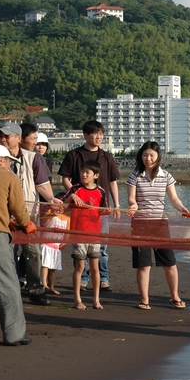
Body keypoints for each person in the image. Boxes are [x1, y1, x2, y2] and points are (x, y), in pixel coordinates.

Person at [0, 123, 60, 306]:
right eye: (0, 136)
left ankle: (36, 289)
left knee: (33, 252)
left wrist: (51, 199)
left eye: (6, 136)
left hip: (28, 213)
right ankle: (9, 290)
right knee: (6, 253)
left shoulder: (33, 158)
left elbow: (41, 183)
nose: (2, 139)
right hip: (1, 214)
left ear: (18, 138)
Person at [58, 120, 121, 292]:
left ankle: (104, 278)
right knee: (80, 244)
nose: (99, 137)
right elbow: (65, 177)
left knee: (101, 245)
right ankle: (83, 278)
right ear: (85, 135)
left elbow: (113, 182)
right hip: (79, 210)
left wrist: (117, 205)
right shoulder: (74, 155)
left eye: (101, 133)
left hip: (100, 210)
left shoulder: (107, 157)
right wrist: (73, 194)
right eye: (94, 133)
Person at [126, 141, 190, 310]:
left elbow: (174, 199)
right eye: (145, 155)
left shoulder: (166, 176)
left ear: (158, 157)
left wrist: (183, 208)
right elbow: (131, 198)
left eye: (151, 155)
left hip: (160, 223)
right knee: (144, 264)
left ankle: (175, 296)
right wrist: (133, 206)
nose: (148, 158)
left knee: (169, 263)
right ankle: (144, 299)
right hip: (139, 223)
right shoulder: (135, 176)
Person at [0, 144, 35, 346]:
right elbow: (18, 208)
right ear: (0, 161)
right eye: (8, 162)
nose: (9, 166)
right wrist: (25, 224)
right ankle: (13, 334)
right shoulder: (8, 178)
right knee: (7, 285)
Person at [63, 160, 109, 310]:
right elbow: (61, 205)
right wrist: (71, 198)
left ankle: (96, 300)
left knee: (95, 267)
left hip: (94, 233)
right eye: (82, 172)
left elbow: (104, 210)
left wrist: (111, 211)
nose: (83, 175)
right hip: (78, 232)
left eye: (87, 173)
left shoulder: (100, 191)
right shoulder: (75, 189)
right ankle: (77, 300)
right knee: (80, 266)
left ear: (95, 175)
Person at [39, 205, 68, 295]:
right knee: (45, 265)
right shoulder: (49, 213)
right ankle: (44, 284)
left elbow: (67, 232)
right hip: (46, 244)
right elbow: (44, 223)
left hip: (56, 246)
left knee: (53, 268)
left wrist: (65, 241)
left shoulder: (67, 218)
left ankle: (51, 286)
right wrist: (51, 214)